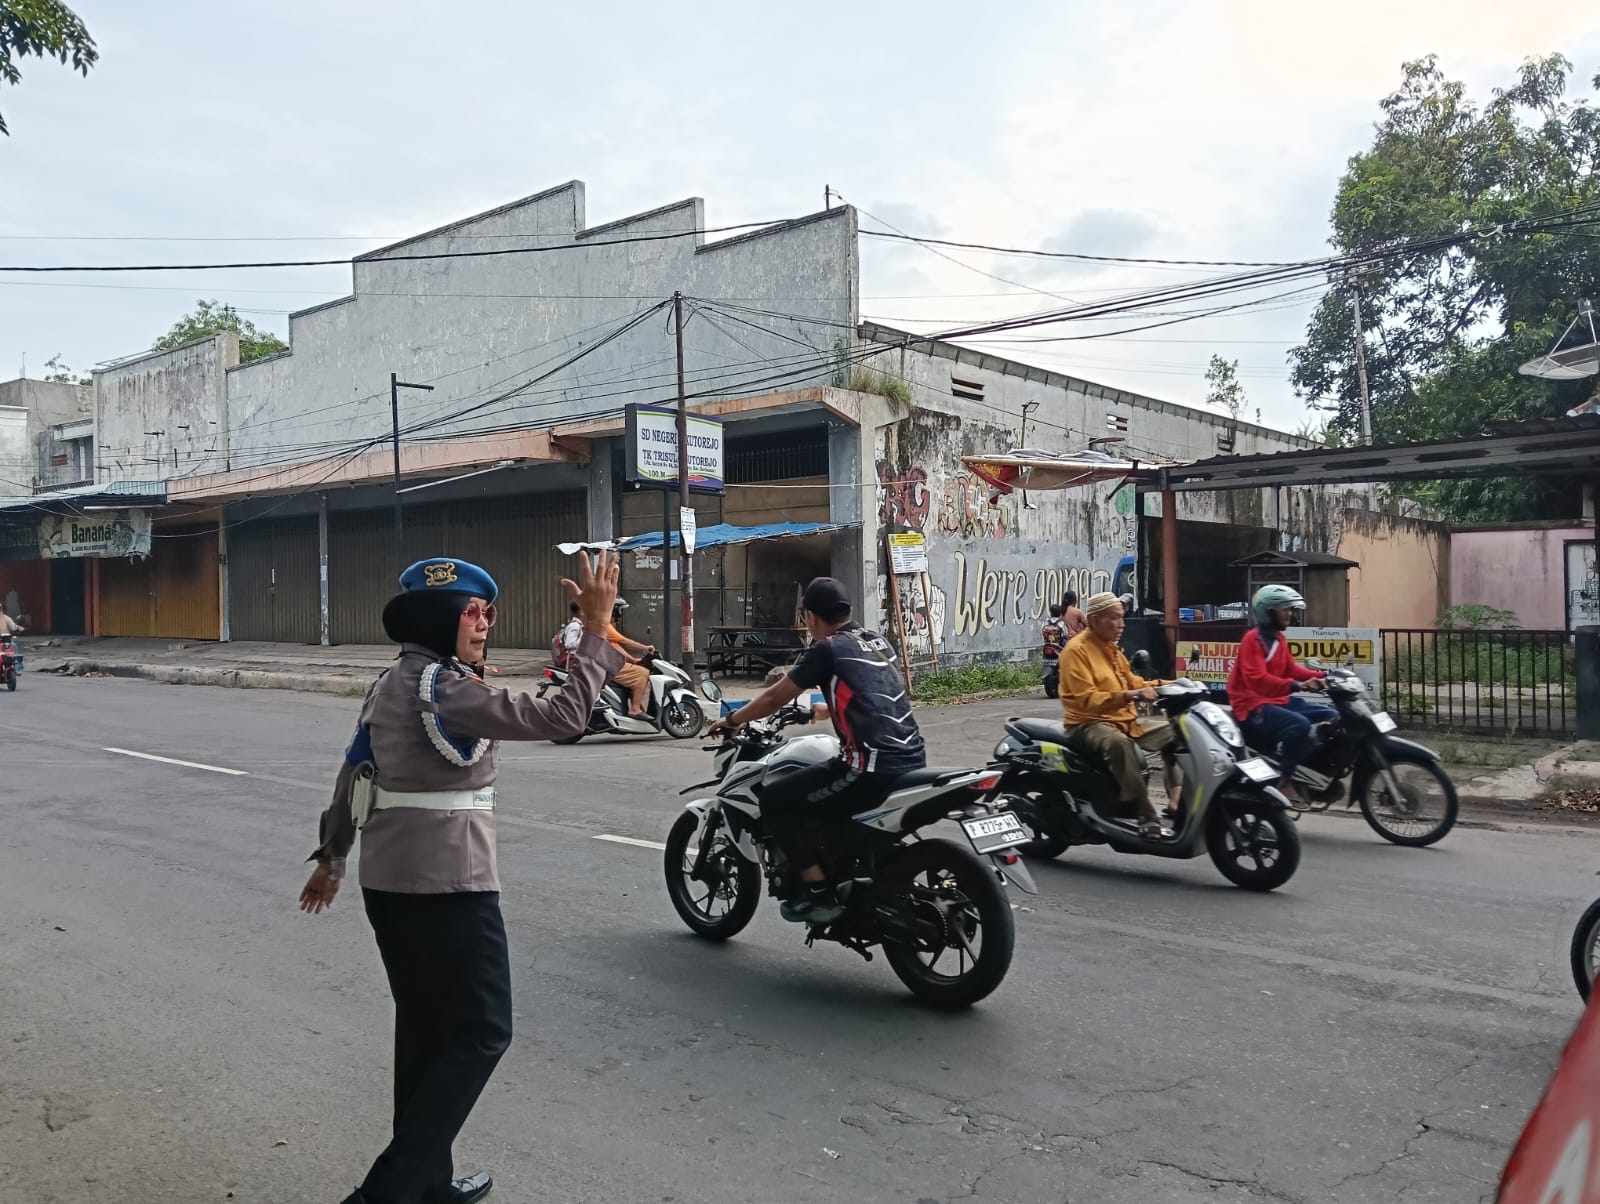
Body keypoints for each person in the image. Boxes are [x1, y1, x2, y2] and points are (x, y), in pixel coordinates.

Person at [299, 551, 623, 1204]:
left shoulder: (395, 682)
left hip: (389, 884)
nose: (484, 623)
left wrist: (333, 858)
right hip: (449, 887)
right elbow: (562, 718)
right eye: (472, 613)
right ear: (441, 620)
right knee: (481, 1030)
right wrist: (594, 630)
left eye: (487, 612)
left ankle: (428, 1184)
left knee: (424, 1034)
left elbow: (354, 774)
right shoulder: (446, 689)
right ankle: (386, 1192)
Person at [706, 577, 926, 924]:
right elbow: (871, 690)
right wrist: (821, 711)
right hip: (913, 759)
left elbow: (774, 696)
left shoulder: (826, 648)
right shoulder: (875, 640)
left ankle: (819, 892)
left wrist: (733, 719)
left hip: (868, 768)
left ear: (809, 616)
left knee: (775, 800)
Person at [1059, 591, 1180, 839]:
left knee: (1178, 733)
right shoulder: (1076, 651)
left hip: (1124, 720)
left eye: (1122, 618)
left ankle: (1177, 800)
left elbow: (1133, 682)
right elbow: (1087, 700)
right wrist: (1130, 696)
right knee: (1120, 746)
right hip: (1088, 723)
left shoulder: (1113, 649)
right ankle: (1145, 811)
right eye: (1114, 618)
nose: (1121, 624)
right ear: (1094, 621)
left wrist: (1171, 685)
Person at [1226, 584, 1335, 802]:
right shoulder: (1252, 640)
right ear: (1268, 612)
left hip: (1277, 701)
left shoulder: (1278, 638)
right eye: (1284, 609)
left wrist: (1325, 675)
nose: (1289, 614)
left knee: (1333, 716)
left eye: (1290, 609)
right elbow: (1257, 680)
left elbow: (1291, 669)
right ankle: (1285, 781)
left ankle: (1304, 768)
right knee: (1300, 725)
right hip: (1251, 706)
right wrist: (1297, 686)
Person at [603, 599, 654, 716]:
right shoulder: (605, 626)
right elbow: (624, 641)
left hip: (608, 663)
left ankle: (638, 704)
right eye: (619, 611)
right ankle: (635, 709)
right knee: (643, 673)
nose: (619, 615)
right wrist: (645, 648)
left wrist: (633, 660)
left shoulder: (605, 625)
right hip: (607, 665)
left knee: (636, 672)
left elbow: (616, 647)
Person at [552, 601, 583, 669]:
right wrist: (584, 641)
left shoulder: (577, 624)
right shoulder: (575, 625)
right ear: (580, 612)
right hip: (572, 659)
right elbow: (568, 644)